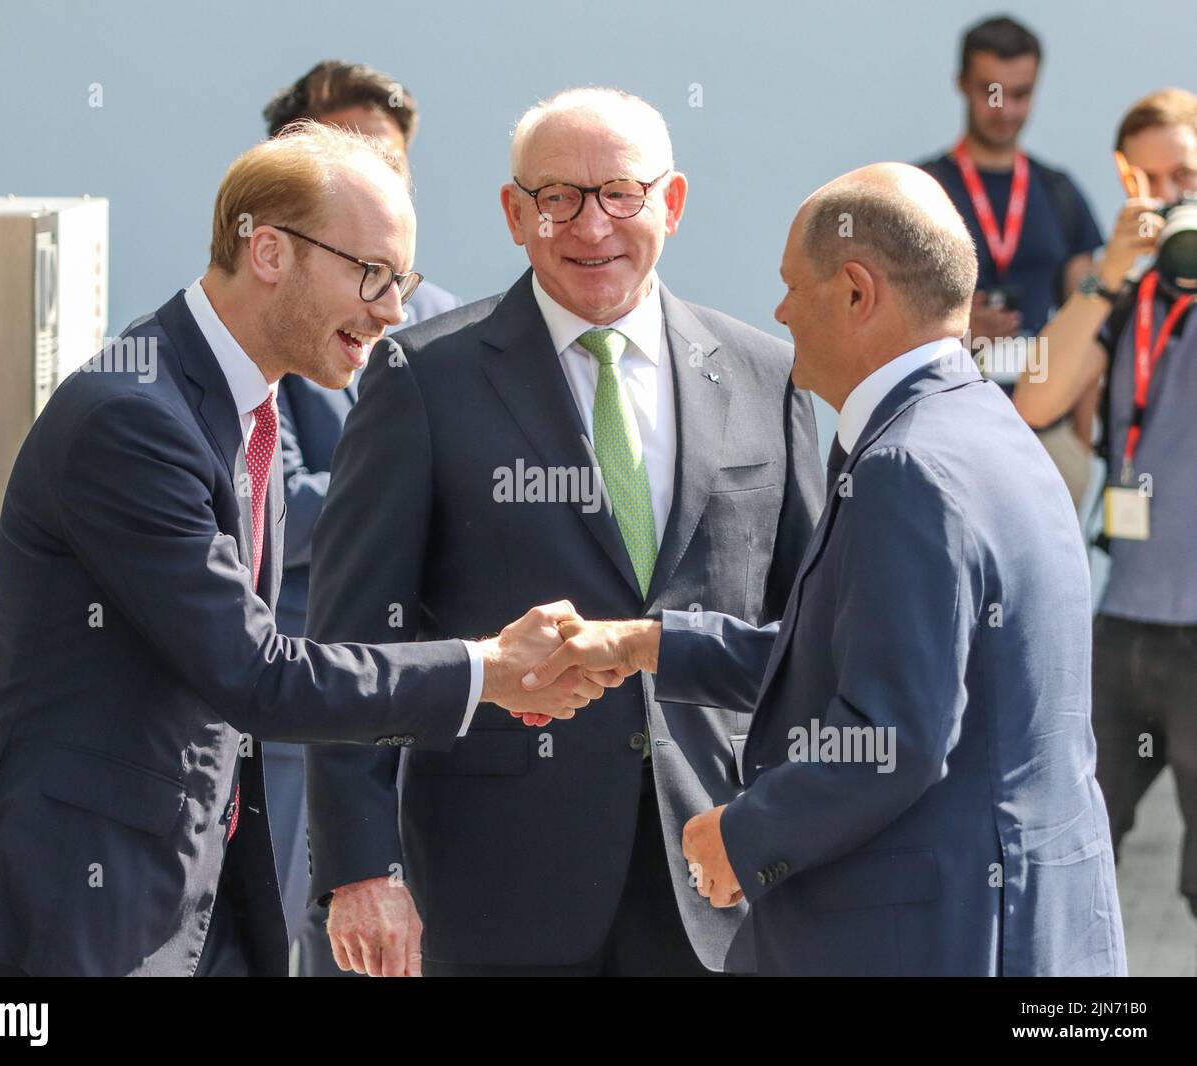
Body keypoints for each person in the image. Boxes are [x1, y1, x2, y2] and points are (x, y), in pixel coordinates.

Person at [0, 122, 610, 977]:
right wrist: (484, 669)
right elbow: (255, 673)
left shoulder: (241, 402)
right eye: (372, 275)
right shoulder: (134, 420)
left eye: (401, 281)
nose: (391, 312)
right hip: (66, 912)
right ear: (270, 252)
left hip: (187, 899)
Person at [526, 162, 1127, 976]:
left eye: (790, 285)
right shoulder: (984, 423)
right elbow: (863, 654)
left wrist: (742, 834)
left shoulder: (908, 467)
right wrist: (646, 644)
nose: (777, 311)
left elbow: (893, 732)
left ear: (854, 292)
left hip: (928, 933)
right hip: (1021, 920)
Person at [303, 87, 824, 976]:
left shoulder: (767, 374)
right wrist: (360, 868)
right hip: (495, 883)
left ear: (673, 202)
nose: (592, 227)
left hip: (719, 874)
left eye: (621, 192)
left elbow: (814, 632)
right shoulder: (422, 379)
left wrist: (802, 830)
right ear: (515, 213)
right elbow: (354, 641)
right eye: (558, 199)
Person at [259, 59, 462, 970]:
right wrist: (406, 488)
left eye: (393, 164)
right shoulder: (263, 325)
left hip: (425, 690)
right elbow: (270, 508)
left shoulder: (452, 325)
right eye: (353, 162)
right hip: (295, 687)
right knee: (287, 918)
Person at [1012, 88, 1197, 922]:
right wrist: (1114, 273)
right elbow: (1035, 402)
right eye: (1150, 181)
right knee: (1067, 854)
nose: (1170, 196)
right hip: (1121, 625)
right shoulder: (1122, 295)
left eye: (1185, 175)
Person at [918, 15, 1103, 506]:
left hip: (1046, 436)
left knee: (1049, 582)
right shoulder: (919, 190)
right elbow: (884, 314)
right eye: (990, 91)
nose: (1005, 109)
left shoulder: (1060, 194)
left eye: (1021, 94)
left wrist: (1081, 439)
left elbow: (1091, 318)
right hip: (945, 428)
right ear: (961, 84)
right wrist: (953, 327)